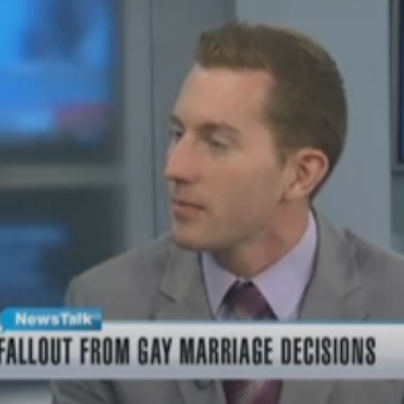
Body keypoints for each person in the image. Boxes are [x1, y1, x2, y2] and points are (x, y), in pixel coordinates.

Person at [51, 22, 404, 404]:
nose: (175, 168)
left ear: (301, 174)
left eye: (217, 143)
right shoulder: (102, 309)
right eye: (177, 134)